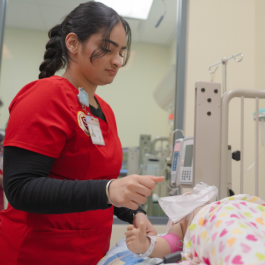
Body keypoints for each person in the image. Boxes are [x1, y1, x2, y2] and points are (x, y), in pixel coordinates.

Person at [0, 2, 164, 265]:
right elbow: (20, 187)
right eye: (107, 49)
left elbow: (99, 184)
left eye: (121, 52)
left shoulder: (105, 111)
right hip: (36, 252)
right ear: (73, 44)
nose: (117, 61)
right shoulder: (45, 96)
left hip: (87, 252)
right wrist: (110, 189)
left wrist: (136, 213)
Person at [125, 194, 265, 265]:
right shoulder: (181, 222)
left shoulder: (219, 203)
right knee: (237, 239)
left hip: (247, 211)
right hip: (219, 219)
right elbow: (170, 242)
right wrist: (146, 245)